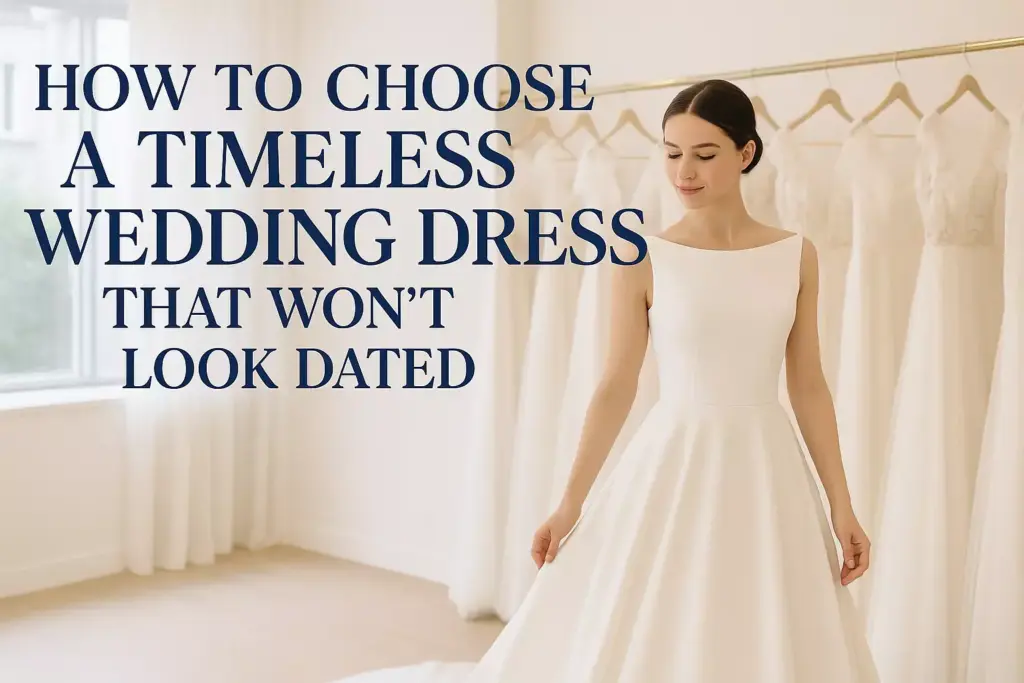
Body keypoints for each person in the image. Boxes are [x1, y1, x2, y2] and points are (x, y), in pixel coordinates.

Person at [338, 79, 879, 682]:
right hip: (674, 457)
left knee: (761, 614)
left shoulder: (795, 255)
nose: (685, 172)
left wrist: (842, 507)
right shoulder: (645, 255)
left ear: (745, 154)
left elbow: (809, 386)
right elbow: (615, 384)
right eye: (672, 153)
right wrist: (570, 503)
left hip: (766, 466)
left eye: (704, 155)